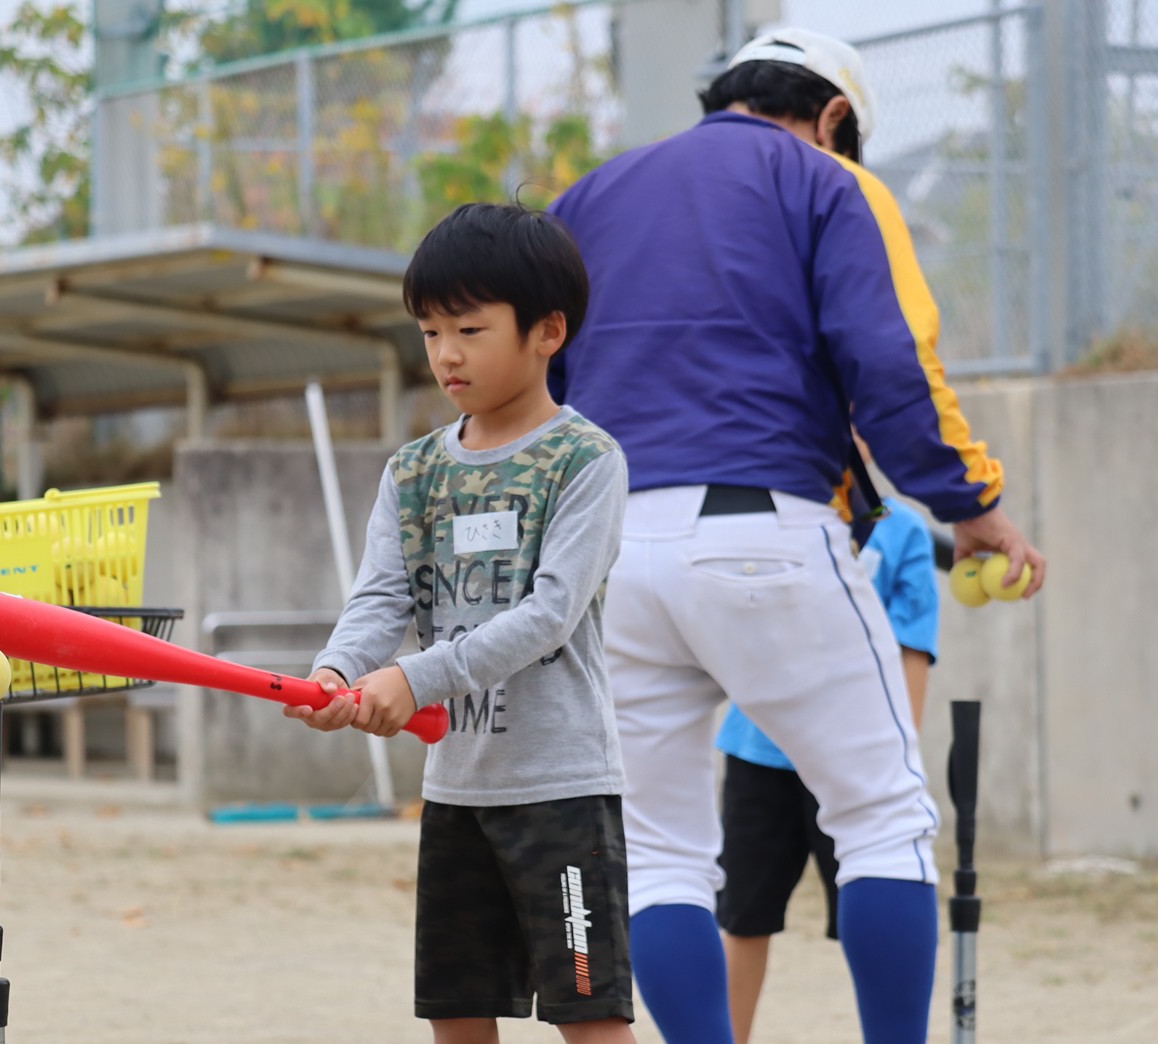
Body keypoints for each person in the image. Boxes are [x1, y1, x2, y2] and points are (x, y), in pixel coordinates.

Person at [546, 27, 1045, 1044]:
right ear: (831, 119)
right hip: (764, 530)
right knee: (880, 818)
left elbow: (540, 372)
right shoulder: (825, 182)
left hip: (608, 551)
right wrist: (970, 502)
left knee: (664, 851)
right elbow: (889, 359)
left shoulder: (588, 197)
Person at [285, 202, 637, 1044]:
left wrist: (416, 678)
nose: (446, 354)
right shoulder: (414, 471)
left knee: (590, 1019)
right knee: (457, 1016)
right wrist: (339, 672)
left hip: (560, 790)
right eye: (431, 330)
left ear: (547, 331)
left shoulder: (586, 461)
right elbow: (381, 599)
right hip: (456, 792)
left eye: (470, 329)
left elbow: (549, 614)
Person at [717, 483, 940, 1044]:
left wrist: (898, 760)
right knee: (743, 918)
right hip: (757, 753)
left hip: (854, 763)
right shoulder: (770, 518)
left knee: (873, 926)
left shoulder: (904, 529)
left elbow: (912, 649)